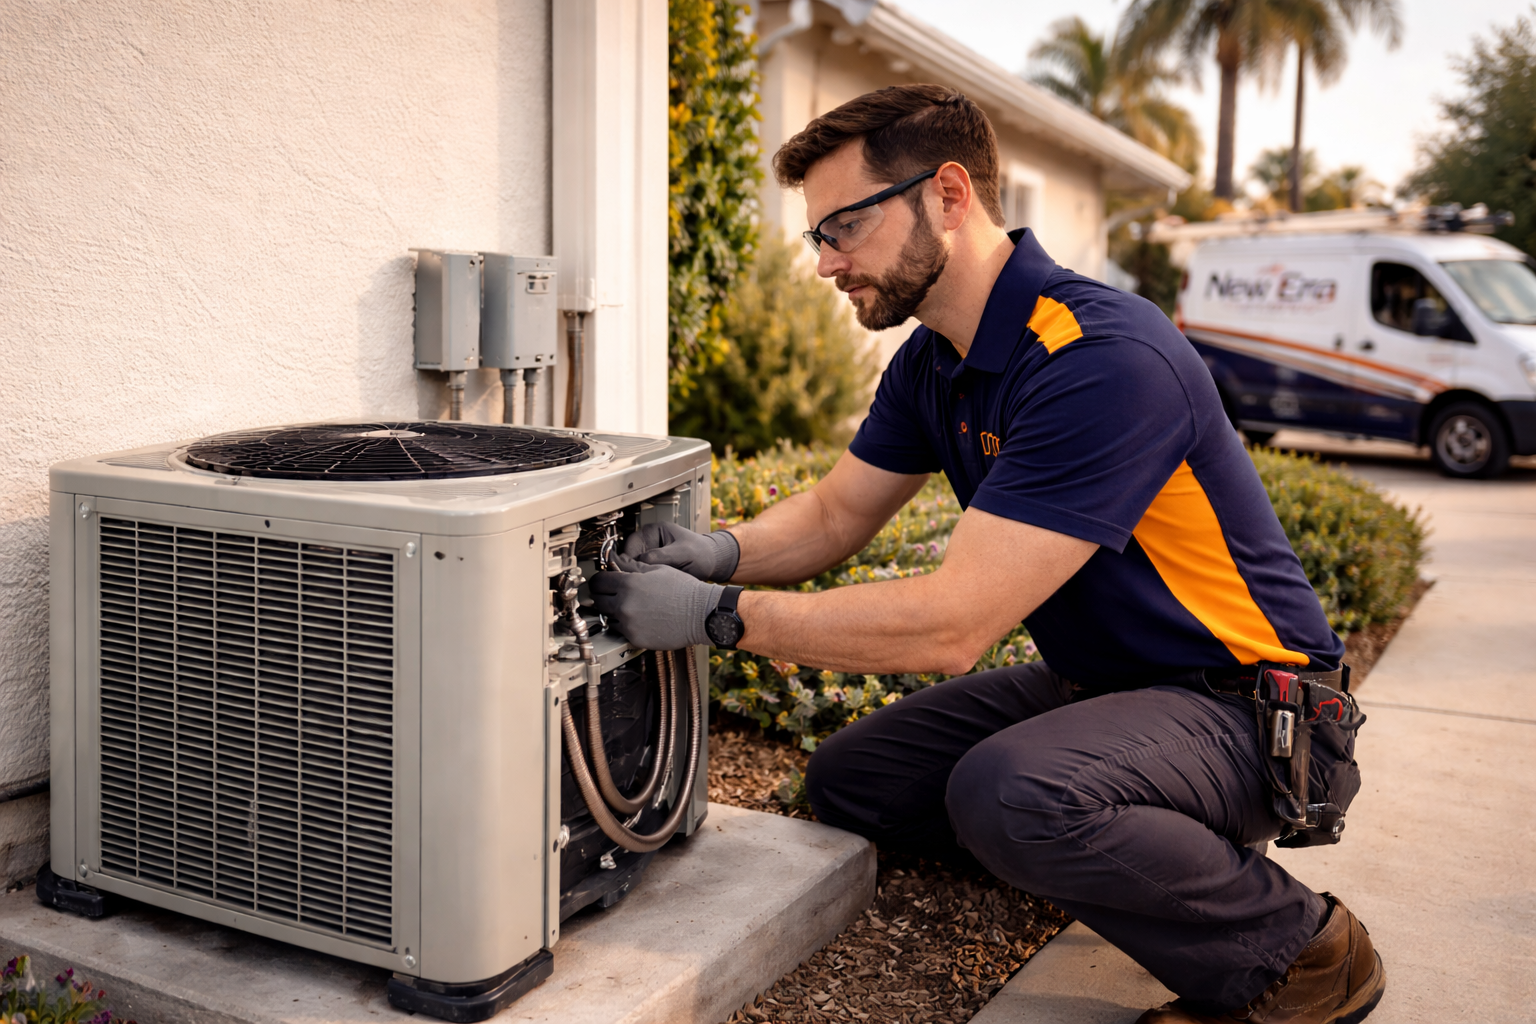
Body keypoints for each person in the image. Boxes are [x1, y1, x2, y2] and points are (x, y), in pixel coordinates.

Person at [591, 84, 1383, 1024]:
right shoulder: (935, 360)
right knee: (856, 780)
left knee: (1011, 793)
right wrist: (716, 553)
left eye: (843, 227)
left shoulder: (1100, 357)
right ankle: (1132, 847)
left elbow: (953, 625)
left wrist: (720, 619)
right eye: (818, 237)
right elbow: (837, 515)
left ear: (950, 195)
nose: (825, 264)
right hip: (1110, 693)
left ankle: (1302, 955)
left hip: (1259, 719)